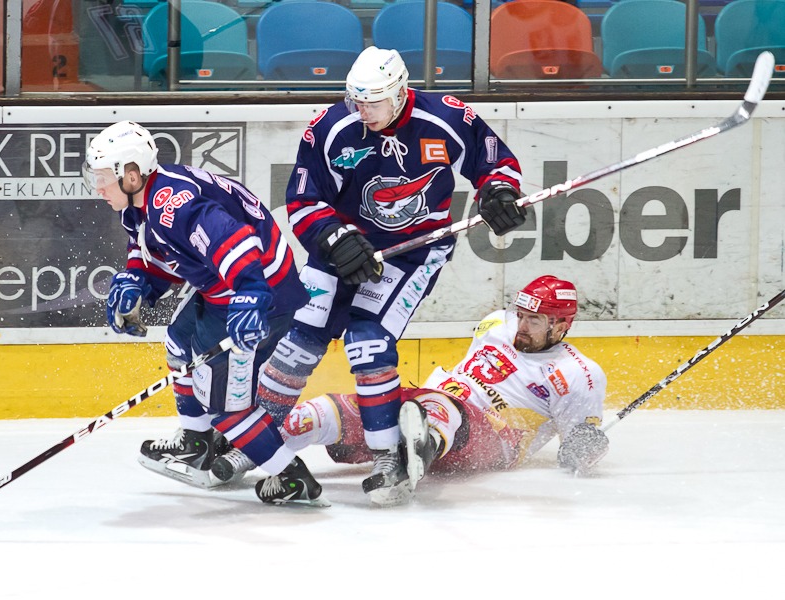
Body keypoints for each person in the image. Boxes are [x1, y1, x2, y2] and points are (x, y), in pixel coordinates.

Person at [215, 46, 528, 507]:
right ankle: (258, 439)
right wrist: (333, 236)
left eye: (373, 102)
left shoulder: (446, 117)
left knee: (368, 342)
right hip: (340, 248)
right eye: (356, 101)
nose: (362, 111)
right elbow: (302, 201)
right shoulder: (330, 127)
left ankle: (387, 458)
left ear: (400, 92)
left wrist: (499, 191)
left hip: (411, 254)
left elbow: (493, 163)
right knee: (300, 340)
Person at [82, 120, 327, 506]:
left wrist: (250, 294)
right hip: (224, 286)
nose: (97, 188)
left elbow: (235, 241)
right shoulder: (141, 202)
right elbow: (154, 250)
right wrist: (138, 281)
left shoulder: (172, 204)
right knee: (179, 342)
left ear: (130, 174)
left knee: (226, 410)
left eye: (102, 178)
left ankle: (292, 477)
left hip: (259, 292)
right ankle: (196, 442)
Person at [214, 275, 610, 492]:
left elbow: (577, 445)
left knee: (438, 408)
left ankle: (413, 457)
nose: (521, 325)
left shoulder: (579, 373)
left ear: (562, 325)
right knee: (329, 410)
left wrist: (587, 446)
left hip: (497, 437)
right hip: (429, 403)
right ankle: (244, 454)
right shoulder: (495, 324)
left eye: (534, 321)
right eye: (520, 314)